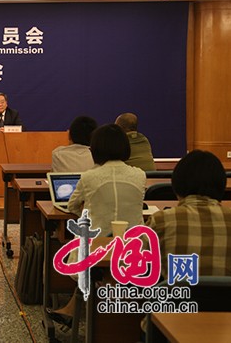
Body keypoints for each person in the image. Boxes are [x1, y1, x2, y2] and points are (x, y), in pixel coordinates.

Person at [47, 124, 146, 326]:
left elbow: (72, 206)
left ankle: (78, 311)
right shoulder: (139, 174)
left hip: (97, 246)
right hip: (134, 245)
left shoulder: (90, 176)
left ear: (96, 149)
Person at [147, 150, 231, 279]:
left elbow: (126, 262)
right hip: (228, 293)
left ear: (177, 185)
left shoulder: (161, 221)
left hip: (178, 292)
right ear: (221, 185)